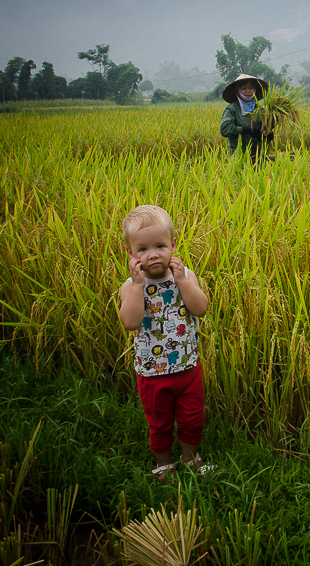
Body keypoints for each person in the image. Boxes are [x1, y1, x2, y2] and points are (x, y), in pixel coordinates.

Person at [119, 205, 210, 481]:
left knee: (192, 417)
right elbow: (130, 322)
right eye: (143, 249)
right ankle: (164, 464)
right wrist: (137, 287)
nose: (153, 254)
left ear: (173, 244)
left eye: (160, 245)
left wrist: (182, 281)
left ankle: (190, 458)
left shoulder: (184, 276)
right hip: (152, 373)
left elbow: (201, 308)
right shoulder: (131, 286)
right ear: (131, 254)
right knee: (159, 423)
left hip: (187, 367)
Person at [220, 73, 272, 163]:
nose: (248, 91)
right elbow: (224, 129)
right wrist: (244, 130)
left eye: (251, 88)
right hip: (238, 157)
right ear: (238, 91)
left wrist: (268, 134)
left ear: (255, 90)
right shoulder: (232, 109)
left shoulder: (260, 110)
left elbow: (264, 130)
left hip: (258, 158)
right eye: (244, 88)